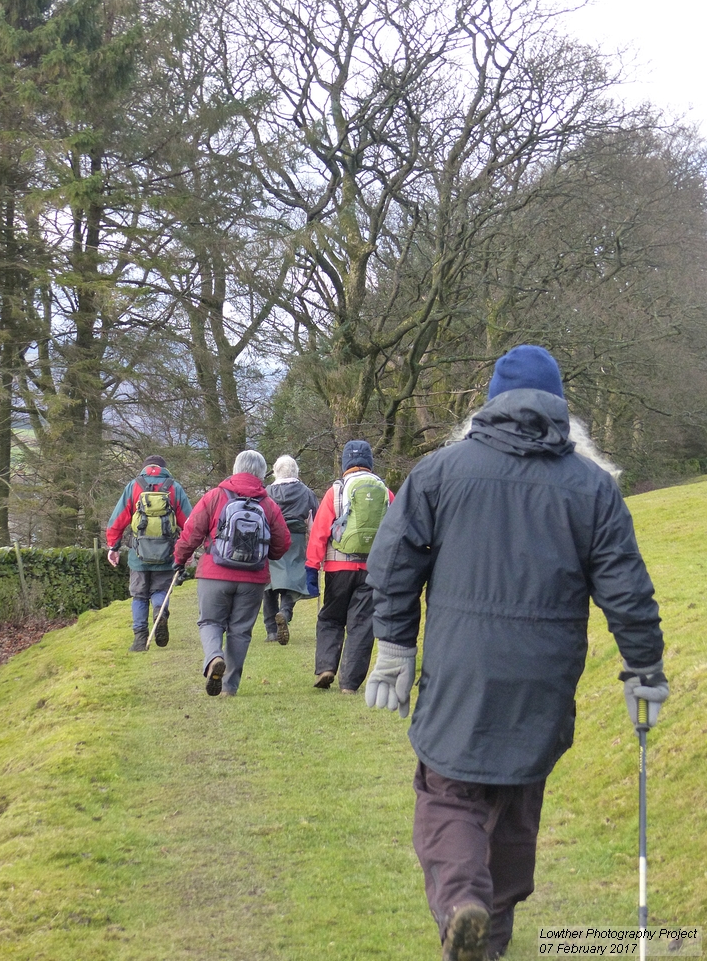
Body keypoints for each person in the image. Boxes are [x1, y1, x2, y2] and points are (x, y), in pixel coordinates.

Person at [364, 345, 668, 961]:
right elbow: (628, 592)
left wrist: (394, 645)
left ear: (489, 404)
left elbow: (393, 565)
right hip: (544, 681)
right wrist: (645, 670)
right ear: (561, 409)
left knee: (449, 796)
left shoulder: (439, 472)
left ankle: (460, 905)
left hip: (460, 675)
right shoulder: (592, 488)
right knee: (516, 804)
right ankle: (486, 936)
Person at [173, 450, 291, 696]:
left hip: (214, 574)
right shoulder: (268, 504)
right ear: (262, 473)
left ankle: (214, 657)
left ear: (236, 469)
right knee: (240, 631)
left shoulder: (215, 496)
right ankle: (229, 687)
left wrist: (180, 558)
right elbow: (281, 545)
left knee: (210, 621)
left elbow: (191, 531)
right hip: (253, 579)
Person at [305, 439, 394, 694]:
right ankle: (349, 684)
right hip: (372, 570)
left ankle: (326, 668)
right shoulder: (384, 492)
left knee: (330, 618)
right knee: (362, 624)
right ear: (369, 462)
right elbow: (398, 529)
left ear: (345, 463)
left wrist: (312, 567)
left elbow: (320, 531)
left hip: (337, 567)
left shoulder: (337, 490)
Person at [106, 454, 192, 652]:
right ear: (164, 469)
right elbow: (189, 522)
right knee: (161, 589)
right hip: (166, 553)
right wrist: (187, 551)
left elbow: (117, 519)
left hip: (138, 555)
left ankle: (139, 640)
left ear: (145, 468)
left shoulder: (134, 486)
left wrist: (113, 547)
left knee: (139, 595)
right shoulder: (174, 487)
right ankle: (159, 613)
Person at [262, 455, 319, 644]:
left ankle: (271, 630)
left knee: (268, 585)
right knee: (293, 580)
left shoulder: (267, 492)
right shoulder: (306, 492)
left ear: (276, 471)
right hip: (295, 540)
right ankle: (284, 613)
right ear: (296, 471)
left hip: (271, 540)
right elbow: (315, 523)